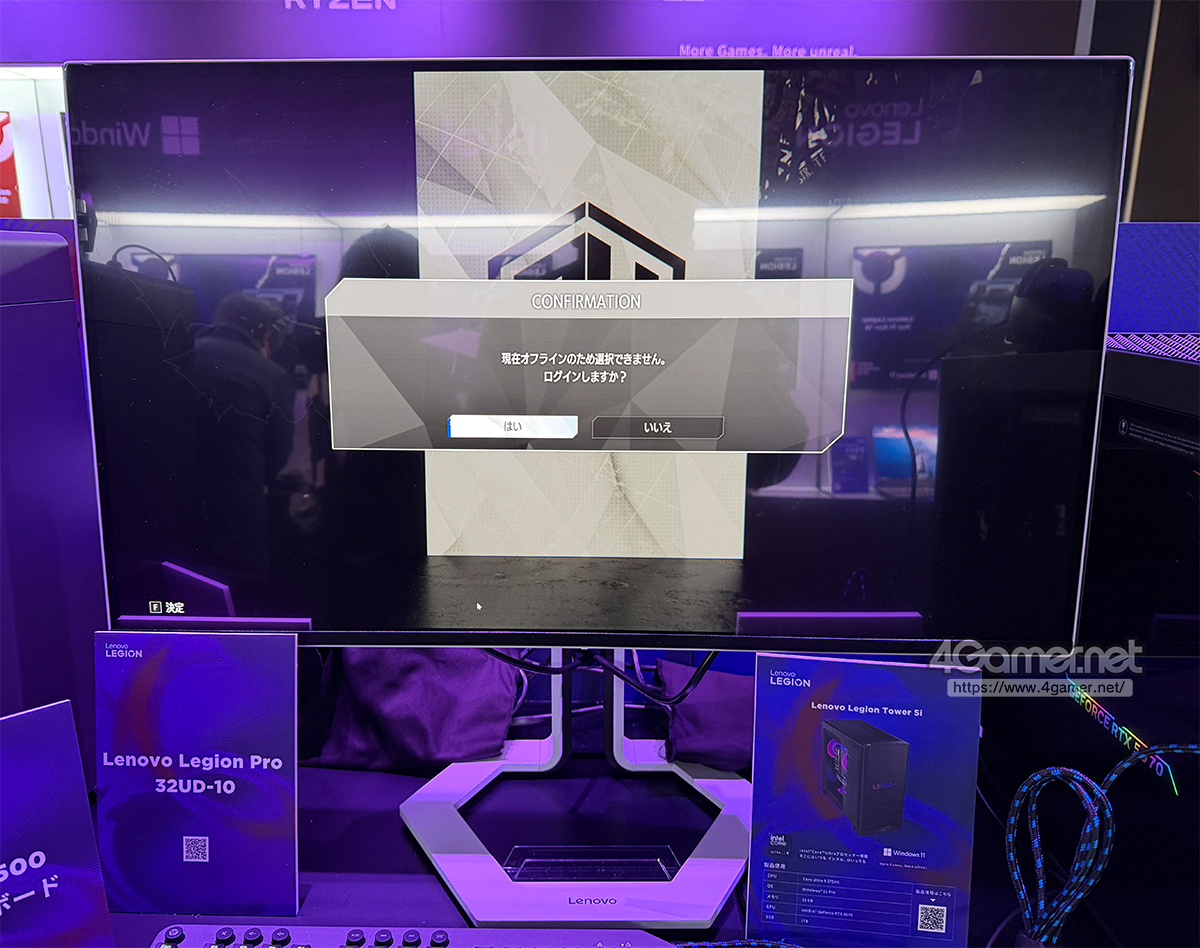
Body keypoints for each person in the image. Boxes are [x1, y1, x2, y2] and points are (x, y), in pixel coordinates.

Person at [192, 292, 295, 590]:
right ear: (267, 334)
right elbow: (276, 456)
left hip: (174, 519)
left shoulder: (179, 356)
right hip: (237, 526)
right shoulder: (270, 375)